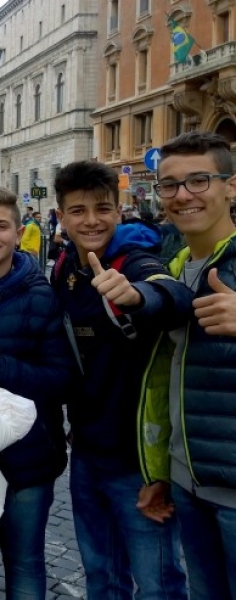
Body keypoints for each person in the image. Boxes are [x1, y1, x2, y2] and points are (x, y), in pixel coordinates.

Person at [51, 160, 191, 600]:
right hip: (88, 452)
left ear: (119, 209)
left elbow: (170, 293)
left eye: (102, 208)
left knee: (158, 585)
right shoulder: (64, 269)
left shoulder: (134, 258)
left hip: (138, 462)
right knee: (102, 577)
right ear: (61, 213)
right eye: (78, 210)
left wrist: (136, 296)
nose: (91, 220)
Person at [0, 187, 75, 600]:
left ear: (18, 232)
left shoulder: (41, 294)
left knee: (25, 564)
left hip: (27, 457)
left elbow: (60, 380)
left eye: (1, 226)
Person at [139, 131, 236, 599]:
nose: (183, 195)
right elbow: (168, 380)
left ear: (230, 186)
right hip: (190, 484)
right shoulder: (177, 267)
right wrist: (165, 471)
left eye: (199, 180)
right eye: (170, 185)